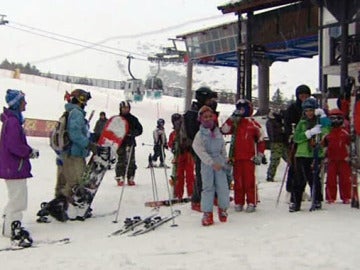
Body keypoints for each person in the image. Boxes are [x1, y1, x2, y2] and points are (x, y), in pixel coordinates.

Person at [48, 89, 104, 221]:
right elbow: (75, 134)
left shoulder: (69, 112)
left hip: (65, 154)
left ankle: (60, 207)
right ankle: (62, 208)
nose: (86, 103)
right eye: (84, 100)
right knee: (77, 182)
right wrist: (89, 145)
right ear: (80, 100)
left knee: (65, 182)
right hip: (74, 154)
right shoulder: (77, 114)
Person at [0, 89, 39, 246]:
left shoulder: (12, 120)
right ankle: (12, 228)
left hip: (14, 166)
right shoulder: (13, 122)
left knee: (16, 196)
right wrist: (28, 152)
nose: (26, 103)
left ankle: (8, 222)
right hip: (14, 167)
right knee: (18, 198)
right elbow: (14, 145)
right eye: (23, 101)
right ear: (17, 103)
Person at [221, 99, 266, 213]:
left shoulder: (254, 124)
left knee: (249, 181)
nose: (241, 110)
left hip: (249, 158)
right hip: (236, 158)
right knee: (238, 181)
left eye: (243, 108)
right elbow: (224, 129)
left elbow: (261, 140)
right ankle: (239, 201)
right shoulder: (235, 123)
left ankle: (251, 201)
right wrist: (232, 118)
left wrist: (260, 155)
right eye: (239, 108)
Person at [290, 97, 331, 212]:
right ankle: (295, 201)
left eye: (311, 110)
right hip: (302, 154)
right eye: (307, 110)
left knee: (314, 179)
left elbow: (328, 130)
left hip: (315, 154)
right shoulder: (302, 123)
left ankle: (317, 200)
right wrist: (309, 133)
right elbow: (297, 138)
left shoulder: (320, 123)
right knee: (299, 179)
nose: (309, 113)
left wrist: (323, 117)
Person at [182, 86, 218, 211]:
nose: (211, 102)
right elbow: (194, 133)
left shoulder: (208, 112)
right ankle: (197, 199)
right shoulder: (193, 114)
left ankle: (212, 195)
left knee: (214, 172)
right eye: (209, 99)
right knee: (202, 173)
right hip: (200, 149)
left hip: (212, 147)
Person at [192, 105, 230, 226]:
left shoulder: (217, 132)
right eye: (205, 117)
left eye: (210, 116)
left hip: (219, 162)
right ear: (201, 119)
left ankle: (223, 209)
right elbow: (199, 150)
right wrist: (210, 162)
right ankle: (207, 212)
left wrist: (224, 160)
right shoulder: (200, 135)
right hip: (207, 164)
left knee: (223, 187)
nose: (208, 119)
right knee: (208, 187)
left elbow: (222, 147)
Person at [283, 85, 311, 200]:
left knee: (305, 167)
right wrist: (289, 135)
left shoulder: (311, 107)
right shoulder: (293, 108)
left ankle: (302, 189)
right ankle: (290, 190)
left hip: (308, 141)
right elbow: (287, 123)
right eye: (301, 95)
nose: (303, 97)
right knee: (294, 166)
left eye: (306, 95)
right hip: (296, 140)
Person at [323, 109, 351, 204]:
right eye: (333, 118)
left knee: (345, 179)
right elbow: (324, 145)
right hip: (331, 159)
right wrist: (324, 155)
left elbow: (349, 145)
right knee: (331, 179)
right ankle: (330, 197)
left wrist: (349, 156)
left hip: (343, 159)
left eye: (338, 118)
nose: (335, 121)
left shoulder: (345, 132)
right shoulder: (327, 132)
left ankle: (346, 196)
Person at [115, 101, 143, 186]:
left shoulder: (133, 119)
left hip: (130, 142)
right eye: (124, 108)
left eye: (127, 108)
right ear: (120, 109)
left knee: (131, 161)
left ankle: (130, 177)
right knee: (121, 160)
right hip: (120, 143)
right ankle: (120, 177)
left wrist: (133, 132)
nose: (125, 110)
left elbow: (140, 130)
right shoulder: (117, 119)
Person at [168, 113, 195, 199]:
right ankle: (178, 194)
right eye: (175, 122)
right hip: (179, 155)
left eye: (179, 121)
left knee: (189, 175)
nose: (177, 123)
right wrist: (173, 146)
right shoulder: (173, 134)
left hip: (188, 154)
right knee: (178, 175)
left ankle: (191, 193)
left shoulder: (187, 131)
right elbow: (170, 144)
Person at [265, 110, 288, 182]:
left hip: (281, 142)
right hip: (276, 143)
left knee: (289, 159)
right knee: (275, 160)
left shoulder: (277, 121)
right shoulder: (272, 122)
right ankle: (270, 175)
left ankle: (296, 174)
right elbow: (276, 133)